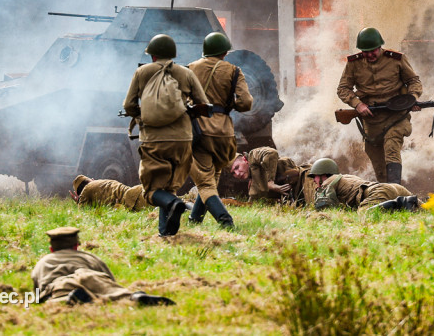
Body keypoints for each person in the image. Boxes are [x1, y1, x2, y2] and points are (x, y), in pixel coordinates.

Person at [122, 34, 209, 237]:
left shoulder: (141, 72)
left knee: (152, 191)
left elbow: (128, 105)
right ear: (173, 55)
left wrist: (142, 115)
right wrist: (186, 110)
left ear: (152, 56)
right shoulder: (186, 73)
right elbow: (203, 105)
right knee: (169, 188)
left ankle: (174, 204)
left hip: (154, 140)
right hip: (183, 140)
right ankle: (166, 233)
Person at [336, 27, 423, 185]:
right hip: (372, 119)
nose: (369, 55)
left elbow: (414, 81)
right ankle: (389, 196)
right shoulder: (353, 64)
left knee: (391, 145)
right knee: (379, 165)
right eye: (365, 51)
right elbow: (342, 89)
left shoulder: (397, 59)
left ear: (380, 47)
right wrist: (358, 105)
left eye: (373, 51)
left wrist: (412, 98)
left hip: (397, 115)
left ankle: (396, 188)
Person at [186, 31, 252, 228]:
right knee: (211, 178)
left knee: (205, 183)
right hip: (224, 134)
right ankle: (194, 219)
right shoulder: (234, 71)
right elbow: (246, 102)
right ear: (224, 52)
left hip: (199, 131)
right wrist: (228, 106)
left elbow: (178, 99)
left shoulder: (190, 68)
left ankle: (226, 221)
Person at [31, 227, 173, 305]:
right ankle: (134, 297)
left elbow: (38, 294)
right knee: (111, 291)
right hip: (91, 277)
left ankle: (70, 299)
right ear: (76, 246)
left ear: (51, 249)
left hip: (60, 286)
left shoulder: (42, 262)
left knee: (52, 300)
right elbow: (110, 280)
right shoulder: (88, 257)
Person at [307, 158, 418, 212]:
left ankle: (400, 203)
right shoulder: (345, 177)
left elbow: (327, 210)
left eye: (315, 176)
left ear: (323, 175)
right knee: (425, 210)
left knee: (365, 215)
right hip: (392, 187)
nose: (313, 180)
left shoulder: (327, 184)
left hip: (378, 192)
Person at [230, 147, 311, 205]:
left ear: (244, 159)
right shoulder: (253, 186)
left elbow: (271, 153)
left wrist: (270, 182)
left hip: (307, 180)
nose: (237, 173)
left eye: (237, 167)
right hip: (300, 198)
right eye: (233, 173)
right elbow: (252, 204)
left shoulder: (253, 156)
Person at [71, 175, 147, 211]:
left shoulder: (86, 191)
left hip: (134, 202)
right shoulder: (101, 182)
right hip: (139, 191)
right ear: (92, 179)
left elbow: (82, 214)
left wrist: (79, 201)